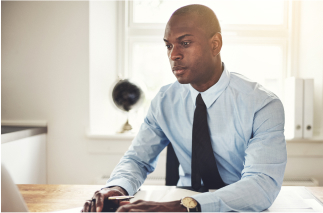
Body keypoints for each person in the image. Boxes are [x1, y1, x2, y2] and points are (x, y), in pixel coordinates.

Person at [82, 4, 287, 212]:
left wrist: (182, 208)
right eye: (169, 46)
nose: (173, 55)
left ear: (215, 45)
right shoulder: (164, 100)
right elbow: (137, 159)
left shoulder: (262, 105)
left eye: (185, 43)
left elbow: (262, 185)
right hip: (180, 199)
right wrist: (117, 187)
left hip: (239, 207)